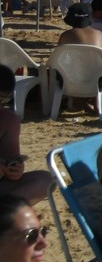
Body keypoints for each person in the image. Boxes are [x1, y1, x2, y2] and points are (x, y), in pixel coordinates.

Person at [0, 71, 51, 205]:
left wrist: (14, 170)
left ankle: (5, 212)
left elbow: (11, 158)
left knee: (45, 180)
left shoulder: (7, 119)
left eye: (3, 100)